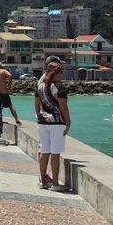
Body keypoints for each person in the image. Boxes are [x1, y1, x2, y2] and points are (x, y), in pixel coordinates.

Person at [35, 59, 71, 191]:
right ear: (55, 73)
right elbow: (63, 107)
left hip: (43, 122)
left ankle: (43, 181)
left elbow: (37, 105)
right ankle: (55, 184)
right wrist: (68, 122)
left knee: (44, 152)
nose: (61, 74)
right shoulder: (59, 87)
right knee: (55, 153)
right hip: (56, 123)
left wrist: (40, 116)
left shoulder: (40, 86)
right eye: (60, 72)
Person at [0, 60, 21, 136]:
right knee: (10, 106)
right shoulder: (3, 71)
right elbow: (10, 76)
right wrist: (9, 85)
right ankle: (17, 119)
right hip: (4, 93)